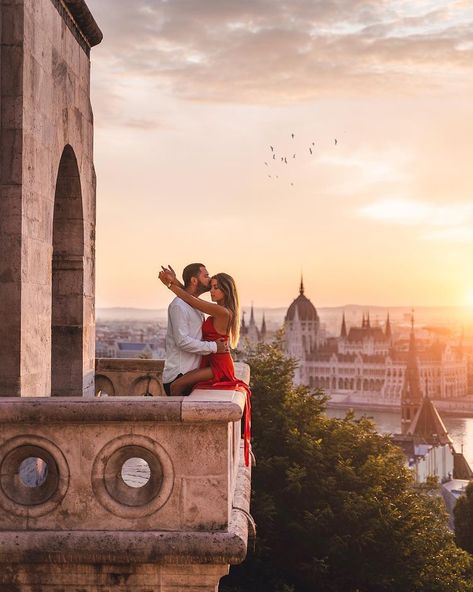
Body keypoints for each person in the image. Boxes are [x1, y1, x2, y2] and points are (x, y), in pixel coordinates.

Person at [159, 268, 252, 466]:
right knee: (180, 388)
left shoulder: (222, 311)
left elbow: (192, 300)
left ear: (226, 291)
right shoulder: (218, 309)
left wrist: (170, 284)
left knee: (176, 387)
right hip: (213, 360)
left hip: (219, 364)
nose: (212, 290)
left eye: (217, 287)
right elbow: (191, 300)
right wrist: (176, 281)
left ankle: (176, 434)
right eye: (211, 286)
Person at [161, 263, 228, 396]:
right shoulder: (179, 306)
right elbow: (182, 341)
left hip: (192, 374)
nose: (209, 279)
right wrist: (214, 346)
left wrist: (173, 283)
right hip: (180, 375)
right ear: (194, 280)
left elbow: (187, 297)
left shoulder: (194, 304)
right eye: (206, 276)